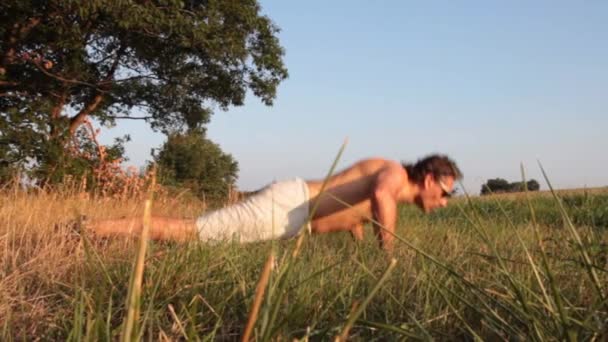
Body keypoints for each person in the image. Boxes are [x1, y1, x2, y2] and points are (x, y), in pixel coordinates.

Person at [88, 154, 462, 251]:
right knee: (194, 233)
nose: (444, 202)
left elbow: (355, 217)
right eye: (446, 193)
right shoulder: (394, 174)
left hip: (290, 213)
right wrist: (390, 256)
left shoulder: (387, 191)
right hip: (288, 208)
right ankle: (90, 229)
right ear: (429, 179)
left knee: (197, 232)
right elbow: (380, 198)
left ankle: (97, 230)